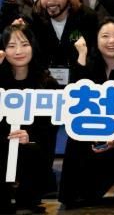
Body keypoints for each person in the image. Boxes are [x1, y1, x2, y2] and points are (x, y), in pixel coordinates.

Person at [59, 17, 114, 209]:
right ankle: (72, 193)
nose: (111, 41)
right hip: (94, 136)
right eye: (105, 36)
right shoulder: (91, 65)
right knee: (75, 136)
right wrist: (82, 55)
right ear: (96, 39)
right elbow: (76, 98)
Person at [1, 0, 98, 86]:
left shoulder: (86, 17)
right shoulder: (33, 18)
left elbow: (94, 55)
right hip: (43, 86)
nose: (50, 1)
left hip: (79, 83)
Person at [0, 23, 58, 214]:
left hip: (33, 152)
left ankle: (28, 196)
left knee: (34, 147)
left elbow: (49, 129)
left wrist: (30, 137)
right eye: (11, 46)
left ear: (33, 46)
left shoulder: (47, 84)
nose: (18, 51)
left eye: (24, 44)